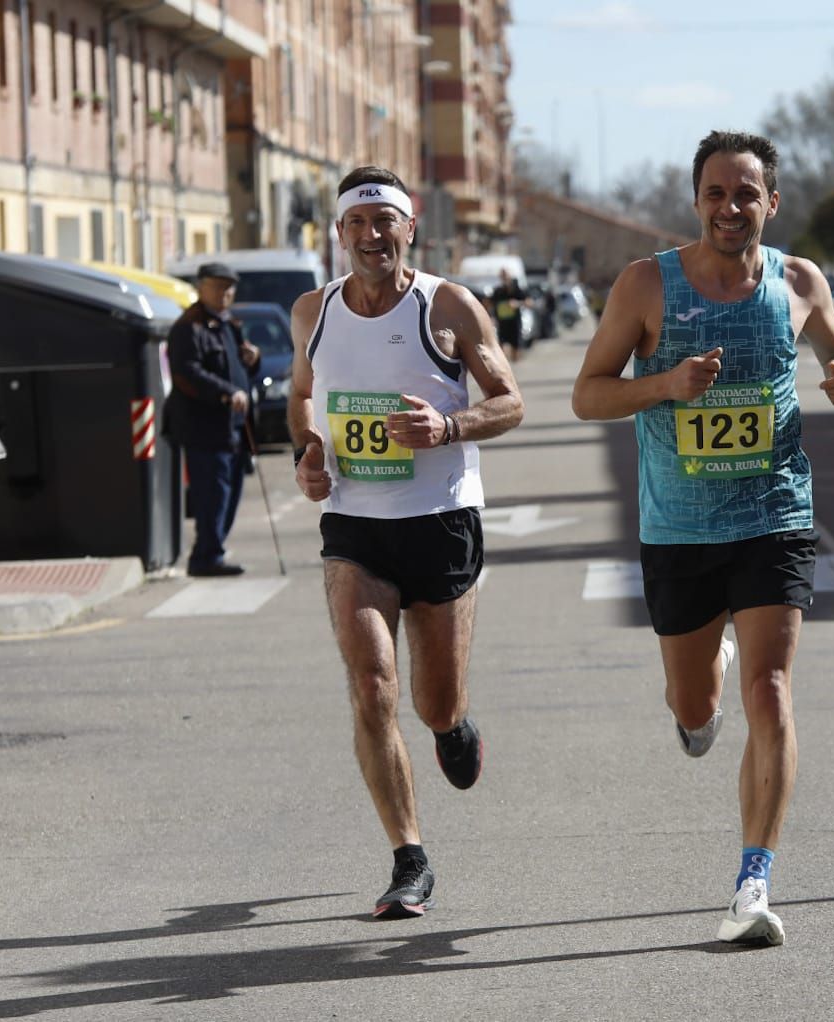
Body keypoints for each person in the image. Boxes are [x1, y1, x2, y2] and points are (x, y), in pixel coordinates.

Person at [572, 130, 834, 947]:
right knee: (697, 705)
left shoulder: (799, 280)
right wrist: (665, 384)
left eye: (746, 194)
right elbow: (587, 396)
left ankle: (753, 880)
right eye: (714, 194)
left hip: (773, 513)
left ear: (771, 202)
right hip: (679, 526)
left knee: (770, 692)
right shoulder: (644, 285)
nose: (729, 208)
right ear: (695, 201)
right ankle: (696, 697)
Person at [289, 167, 523, 919]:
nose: (371, 237)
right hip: (354, 529)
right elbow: (302, 397)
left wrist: (448, 427)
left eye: (385, 222)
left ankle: (454, 728)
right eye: (357, 225)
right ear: (339, 236)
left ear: (408, 229)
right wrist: (310, 453)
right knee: (371, 689)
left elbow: (510, 402)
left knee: (432, 701)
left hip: (439, 521)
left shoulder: (447, 304)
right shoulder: (312, 312)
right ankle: (409, 857)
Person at [163, 262, 261, 577]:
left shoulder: (229, 324)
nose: (225, 293)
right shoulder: (188, 327)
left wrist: (252, 359)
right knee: (212, 495)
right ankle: (205, 556)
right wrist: (225, 393)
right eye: (218, 286)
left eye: (229, 287)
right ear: (201, 287)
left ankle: (213, 550)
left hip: (234, 428)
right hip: (205, 428)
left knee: (230, 494)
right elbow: (186, 374)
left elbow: (240, 368)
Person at [492, 267, 529, 363]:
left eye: (506, 275)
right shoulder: (498, 291)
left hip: (514, 323)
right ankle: (505, 364)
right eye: (502, 276)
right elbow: (490, 304)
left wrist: (517, 303)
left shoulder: (516, 290)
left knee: (515, 346)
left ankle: (516, 363)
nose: (504, 278)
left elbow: (529, 302)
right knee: (502, 346)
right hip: (502, 323)